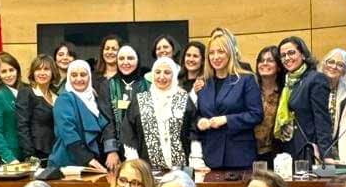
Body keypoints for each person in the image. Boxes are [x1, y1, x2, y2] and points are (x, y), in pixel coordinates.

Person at [196, 34, 263, 170]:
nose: (215, 57)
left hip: (239, 156)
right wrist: (200, 121)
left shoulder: (246, 79)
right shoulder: (203, 82)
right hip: (210, 157)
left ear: (230, 54)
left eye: (221, 52)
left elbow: (256, 114)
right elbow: (197, 113)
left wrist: (226, 119)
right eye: (211, 53)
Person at [122, 57, 198, 172]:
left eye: (167, 72)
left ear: (174, 75)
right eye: (158, 72)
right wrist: (134, 162)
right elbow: (129, 132)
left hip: (180, 171)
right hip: (147, 171)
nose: (161, 77)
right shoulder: (140, 100)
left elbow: (194, 132)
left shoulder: (183, 100)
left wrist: (196, 161)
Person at [47, 61, 120, 174]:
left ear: (89, 77)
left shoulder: (94, 99)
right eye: (74, 75)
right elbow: (69, 134)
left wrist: (111, 151)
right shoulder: (64, 99)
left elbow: (105, 126)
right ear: (69, 77)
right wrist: (89, 159)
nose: (79, 79)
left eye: (83, 75)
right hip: (68, 165)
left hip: (91, 164)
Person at [279, 36, 334, 163]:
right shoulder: (288, 82)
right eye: (283, 55)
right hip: (288, 147)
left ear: (303, 55)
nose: (287, 58)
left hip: (307, 149)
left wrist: (326, 154)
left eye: (291, 53)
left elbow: (322, 118)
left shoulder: (315, 79)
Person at [98, 45, 148, 147]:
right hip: (116, 149)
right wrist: (111, 150)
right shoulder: (107, 85)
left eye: (130, 58)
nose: (125, 62)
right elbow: (106, 120)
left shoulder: (148, 86)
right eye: (121, 58)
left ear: (138, 60)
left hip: (143, 147)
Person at [15, 55, 58, 162]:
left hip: (55, 152)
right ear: (33, 73)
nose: (42, 73)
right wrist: (30, 156)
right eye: (38, 69)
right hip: (35, 155)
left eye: (46, 69)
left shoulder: (57, 96)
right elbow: (22, 126)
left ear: (52, 72)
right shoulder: (26, 93)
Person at [0, 52, 25, 163]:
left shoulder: (24, 91)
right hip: (10, 157)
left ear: (17, 71)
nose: (9, 75)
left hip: (26, 153)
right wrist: (9, 158)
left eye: (11, 70)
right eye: (4, 71)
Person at [253, 46, 285, 164]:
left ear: (279, 66)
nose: (264, 63)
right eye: (261, 60)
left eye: (270, 60)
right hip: (249, 150)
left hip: (276, 153)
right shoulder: (250, 89)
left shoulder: (285, 92)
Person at [320, 47, 346, 135]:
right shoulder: (312, 85)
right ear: (324, 64)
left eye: (340, 65)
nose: (334, 67)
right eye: (331, 62)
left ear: (344, 71)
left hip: (339, 141)